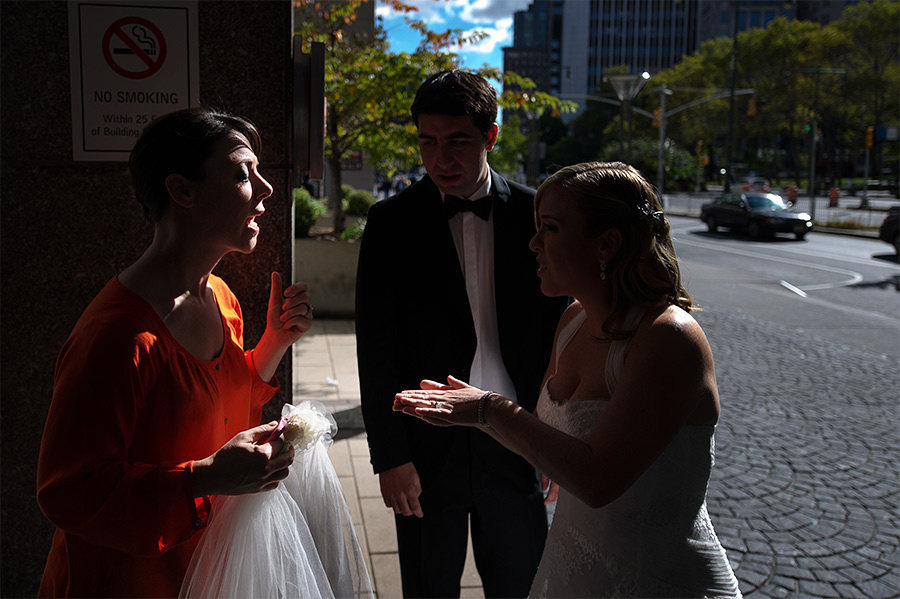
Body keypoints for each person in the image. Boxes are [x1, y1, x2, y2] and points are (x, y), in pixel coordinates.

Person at [394, 162, 744, 598]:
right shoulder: (573, 321)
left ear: (607, 243)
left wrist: (488, 409)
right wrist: (471, 411)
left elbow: (597, 481)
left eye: (551, 228)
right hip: (573, 569)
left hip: (657, 579)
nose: (534, 243)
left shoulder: (668, 338)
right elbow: (548, 441)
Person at [36, 107, 313, 598]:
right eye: (242, 174)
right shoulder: (117, 337)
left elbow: (222, 405)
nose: (267, 189)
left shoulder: (220, 297)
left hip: (203, 572)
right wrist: (205, 478)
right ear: (182, 190)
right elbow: (67, 491)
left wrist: (273, 343)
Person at [355, 70, 567, 598]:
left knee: (521, 585)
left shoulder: (537, 214)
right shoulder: (390, 223)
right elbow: (376, 349)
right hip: (427, 444)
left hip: (516, 436)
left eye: (457, 141)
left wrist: (558, 439)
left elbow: (559, 336)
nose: (440, 158)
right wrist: (390, 456)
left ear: (491, 136)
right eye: (427, 141)